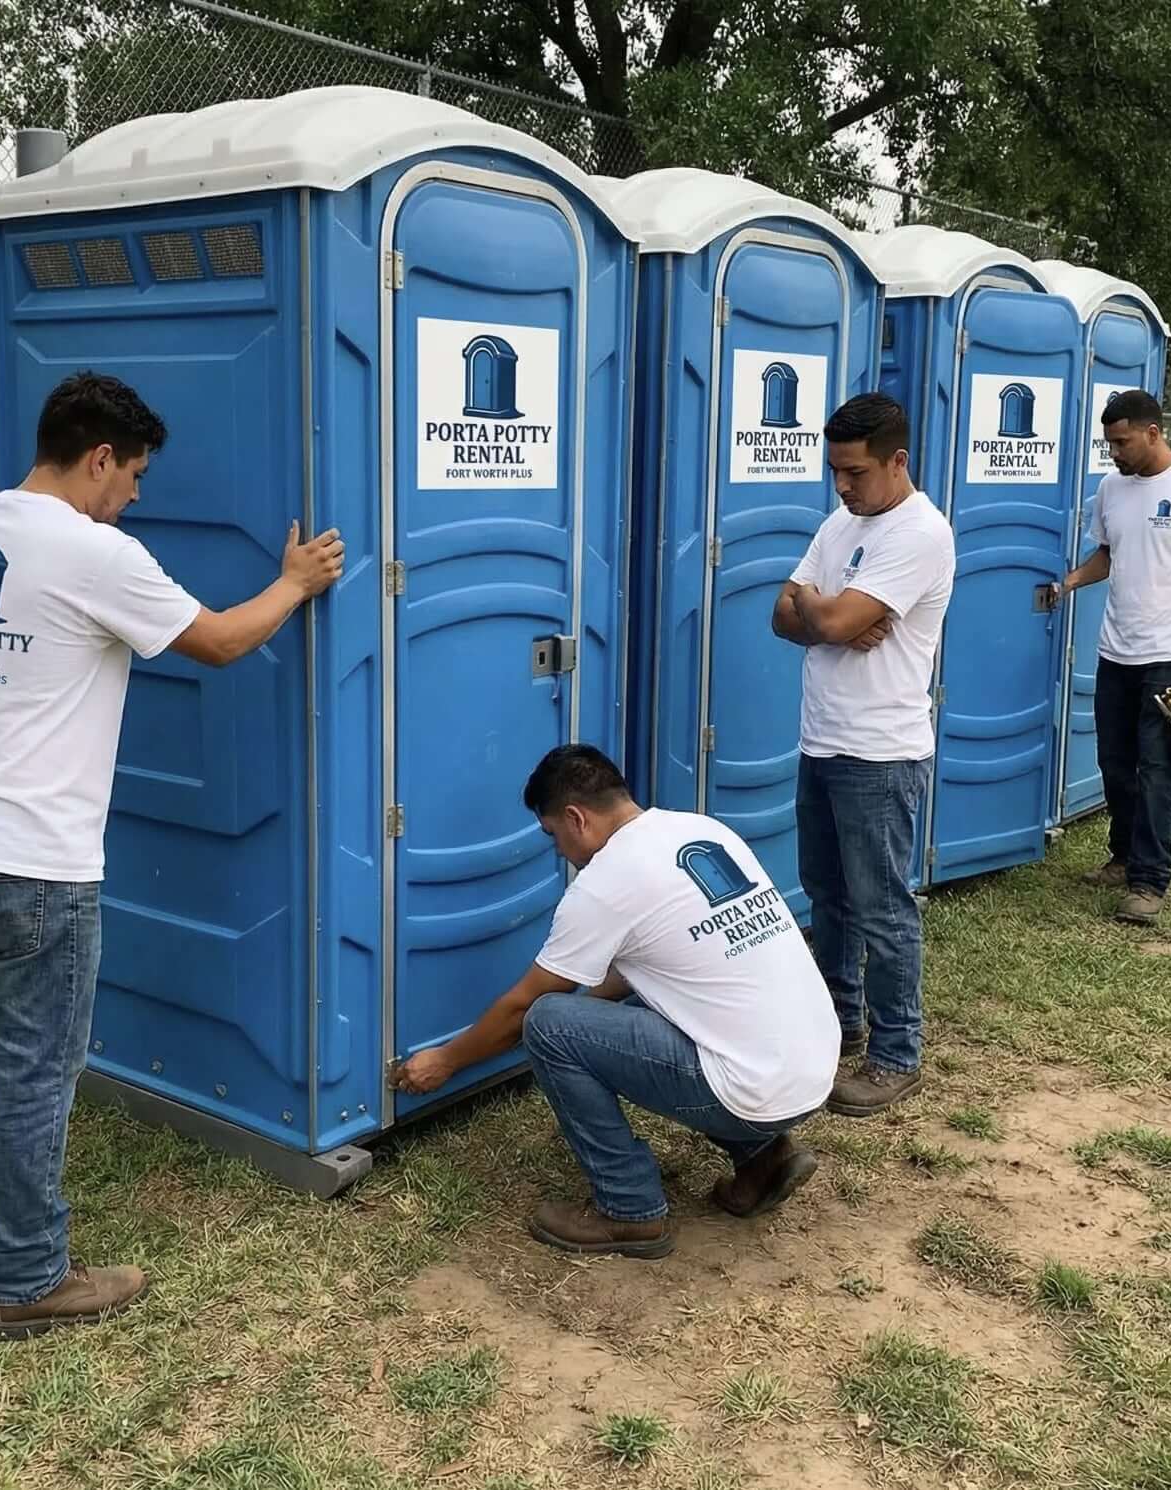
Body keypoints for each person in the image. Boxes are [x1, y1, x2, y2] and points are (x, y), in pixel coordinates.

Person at [0, 372, 345, 1338]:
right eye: (132, 476)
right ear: (98, 459)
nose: (135, 496)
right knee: (37, 1066)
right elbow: (216, 642)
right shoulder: (95, 552)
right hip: (32, 862)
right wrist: (295, 584)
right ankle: (26, 1277)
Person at [389, 745, 840, 1258]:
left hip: (752, 1090)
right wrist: (591, 1020)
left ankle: (629, 1209)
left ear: (576, 818)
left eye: (554, 835)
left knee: (549, 1024)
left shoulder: (606, 883)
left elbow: (524, 1011)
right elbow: (642, 972)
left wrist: (446, 1060)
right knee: (606, 1015)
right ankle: (765, 1158)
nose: (560, 852)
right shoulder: (700, 831)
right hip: (811, 1065)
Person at [771, 392, 954, 1118]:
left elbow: (822, 611)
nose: (842, 486)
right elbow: (781, 616)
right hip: (823, 739)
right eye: (835, 471)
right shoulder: (843, 521)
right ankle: (839, 1022)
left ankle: (896, 1052)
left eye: (854, 471)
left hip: (880, 752)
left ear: (896, 460)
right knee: (828, 894)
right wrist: (830, 616)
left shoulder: (920, 532)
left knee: (881, 906)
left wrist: (826, 608)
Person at [1053, 389, 1171, 925]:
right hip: (1117, 650)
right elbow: (1108, 555)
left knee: (1159, 765)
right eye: (1109, 443)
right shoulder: (1111, 488)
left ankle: (1149, 880)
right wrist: (1070, 581)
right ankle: (1124, 853)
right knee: (1114, 760)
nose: (1114, 452)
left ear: (1153, 432)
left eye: (1122, 441)